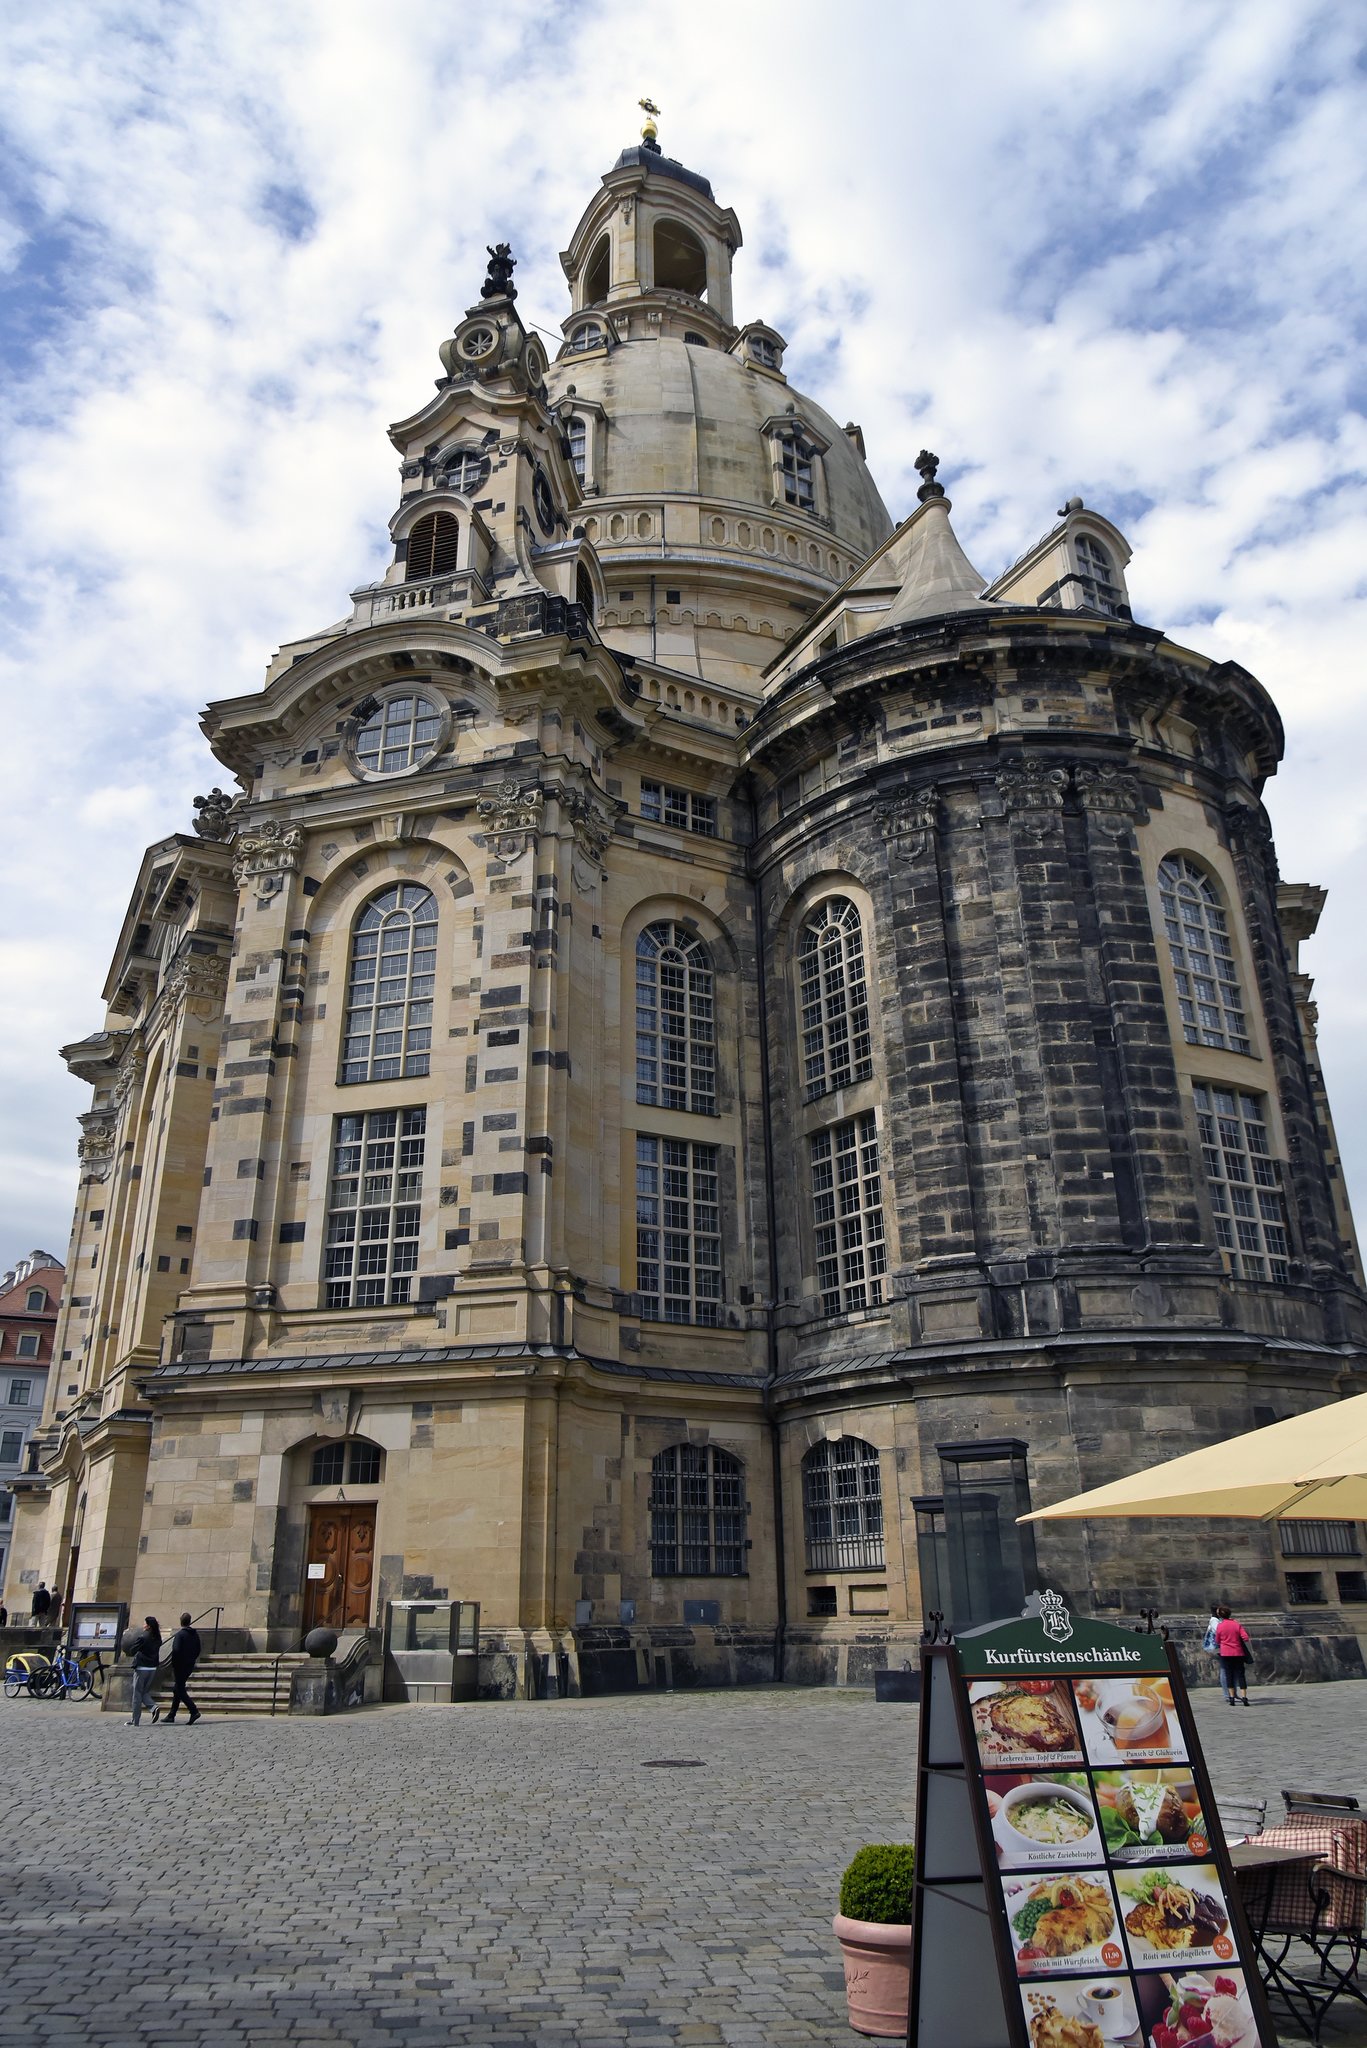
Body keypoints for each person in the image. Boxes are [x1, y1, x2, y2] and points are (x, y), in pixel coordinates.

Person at [163, 1612, 202, 1725]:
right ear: (190, 1621)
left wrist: (174, 1664)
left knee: (179, 1689)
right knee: (177, 1688)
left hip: (180, 1666)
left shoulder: (180, 1635)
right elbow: (198, 1649)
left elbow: (176, 1650)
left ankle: (193, 1710)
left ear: (181, 1622)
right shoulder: (195, 1634)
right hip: (189, 1665)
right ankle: (171, 1714)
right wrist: (191, 1659)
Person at [125, 1616, 163, 1726]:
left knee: (137, 1694)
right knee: (144, 1692)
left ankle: (135, 1720)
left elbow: (132, 1651)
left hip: (142, 1667)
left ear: (149, 1625)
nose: (143, 1625)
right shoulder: (157, 1637)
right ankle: (154, 1707)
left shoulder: (143, 1637)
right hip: (152, 1667)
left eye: (145, 1623)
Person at [1213, 1604, 1252, 1705]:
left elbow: (1217, 1640)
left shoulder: (1220, 1626)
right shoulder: (1236, 1624)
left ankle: (1231, 1698)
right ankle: (1244, 1697)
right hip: (1238, 1652)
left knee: (1228, 1674)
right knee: (1241, 1675)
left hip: (1225, 1653)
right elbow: (1245, 1637)